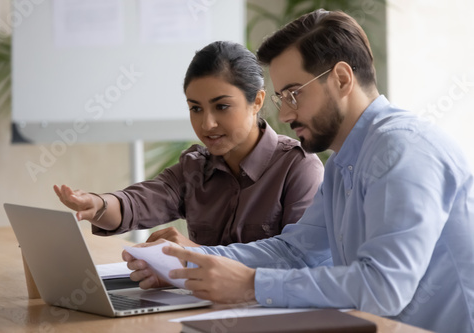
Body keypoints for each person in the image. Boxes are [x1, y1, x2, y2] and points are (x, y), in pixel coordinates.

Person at [123, 10, 474, 333]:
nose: (285, 116)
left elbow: (384, 288)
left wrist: (251, 284)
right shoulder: (342, 161)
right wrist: (190, 263)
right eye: (281, 98)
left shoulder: (402, 150)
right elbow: (296, 252)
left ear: (340, 78)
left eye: (293, 94)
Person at [54, 41, 324, 247]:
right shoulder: (194, 166)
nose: (207, 124)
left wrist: (194, 256)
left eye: (222, 106)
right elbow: (139, 202)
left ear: (257, 101)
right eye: (195, 109)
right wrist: (98, 204)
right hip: (201, 310)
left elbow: (296, 259)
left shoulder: (298, 168)